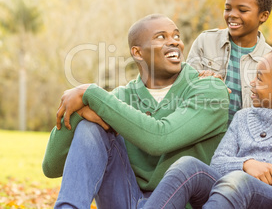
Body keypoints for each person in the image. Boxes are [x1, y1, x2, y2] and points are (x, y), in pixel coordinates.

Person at [42, 14, 230, 208]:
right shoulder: (122, 97)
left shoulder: (209, 89)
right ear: (138, 53)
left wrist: (90, 93)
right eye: (161, 37)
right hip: (126, 198)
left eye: (176, 36)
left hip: (180, 202)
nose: (174, 42)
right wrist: (78, 113)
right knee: (91, 127)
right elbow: (51, 167)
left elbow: (159, 138)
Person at [143, 48, 272, 209]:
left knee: (238, 181)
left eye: (260, 79)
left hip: (270, 198)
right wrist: (246, 164)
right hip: (228, 193)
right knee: (187, 165)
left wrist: (270, 176)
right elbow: (218, 163)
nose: (252, 83)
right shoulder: (243, 117)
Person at [187, 0, 272, 123]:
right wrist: (203, 80)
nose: (232, 14)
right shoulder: (205, 41)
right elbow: (186, 89)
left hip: (246, 142)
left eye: (242, 10)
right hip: (205, 137)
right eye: (228, 8)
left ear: (263, 16)